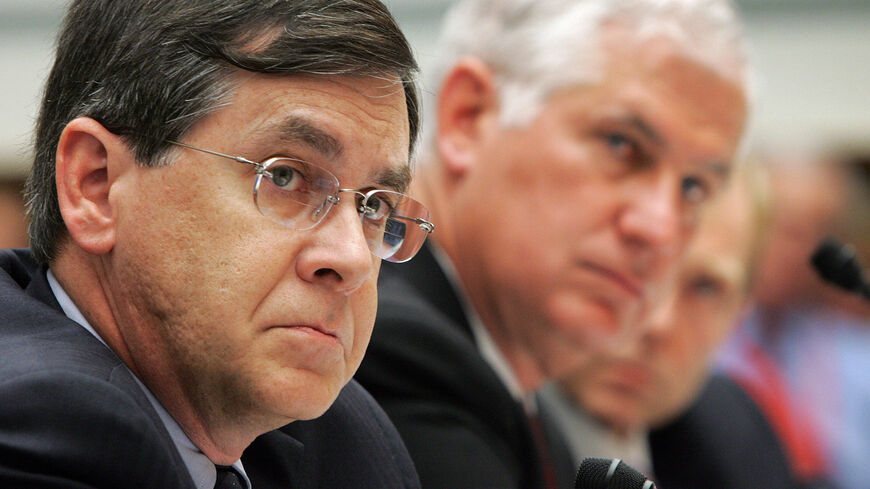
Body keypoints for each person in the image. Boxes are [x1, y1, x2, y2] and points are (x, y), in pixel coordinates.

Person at [0, 1, 435, 488]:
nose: (352, 258)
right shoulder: (40, 428)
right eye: (285, 176)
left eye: (374, 207)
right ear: (96, 186)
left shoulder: (345, 442)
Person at [354, 0, 751, 488]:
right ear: (469, 116)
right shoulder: (390, 351)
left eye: (693, 188)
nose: (661, 228)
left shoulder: (521, 399)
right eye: (621, 146)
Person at [540, 161, 837, 489]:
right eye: (636, 267)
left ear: (740, 310)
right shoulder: (483, 439)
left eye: (705, 288)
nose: (658, 323)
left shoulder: (730, 431)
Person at [718, 151, 870, 489]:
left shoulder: (855, 354)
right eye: (783, 225)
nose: (800, 248)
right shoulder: (693, 338)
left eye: (819, 231)